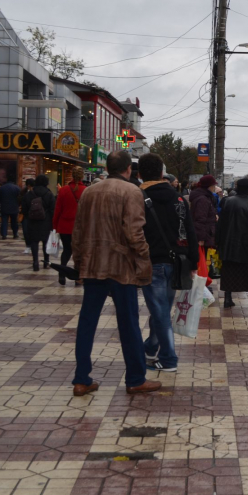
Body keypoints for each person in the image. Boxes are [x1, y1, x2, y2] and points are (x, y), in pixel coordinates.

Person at [71, 150, 160, 396]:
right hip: (122, 266)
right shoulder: (131, 191)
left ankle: (81, 379)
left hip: (92, 265)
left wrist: (79, 262)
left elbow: (78, 231)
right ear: (128, 169)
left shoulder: (89, 191)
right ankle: (135, 378)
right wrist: (144, 259)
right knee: (129, 323)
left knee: (87, 321)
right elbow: (134, 233)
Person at [138, 153, 198, 372]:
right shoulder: (179, 198)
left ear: (139, 174)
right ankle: (151, 347)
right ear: (162, 173)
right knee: (161, 309)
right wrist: (194, 261)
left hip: (151, 262)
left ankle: (169, 359)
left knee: (160, 311)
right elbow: (190, 230)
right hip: (178, 263)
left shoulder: (138, 196)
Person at [216, 178, 248, 308]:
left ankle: (228, 298)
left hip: (227, 243)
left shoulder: (227, 201)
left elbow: (220, 224)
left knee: (229, 270)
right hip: (245, 244)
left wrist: (218, 242)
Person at [52, 167, 87, 286]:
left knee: (67, 250)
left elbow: (58, 209)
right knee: (79, 252)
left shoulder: (64, 190)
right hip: (80, 228)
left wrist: (55, 225)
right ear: (82, 176)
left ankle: (62, 273)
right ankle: (78, 277)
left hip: (65, 226)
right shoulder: (86, 190)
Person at [21, 175, 55, 271]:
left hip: (32, 221)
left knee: (34, 242)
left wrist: (29, 216)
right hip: (46, 221)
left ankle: (35, 262)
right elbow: (53, 209)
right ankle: (46, 261)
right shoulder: (49, 193)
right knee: (45, 242)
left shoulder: (30, 193)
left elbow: (24, 209)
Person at [190, 175, 219, 276]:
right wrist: (201, 238)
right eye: (213, 185)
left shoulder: (204, 197)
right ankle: (203, 285)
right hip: (204, 236)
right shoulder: (203, 199)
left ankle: (204, 283)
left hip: (206, 234)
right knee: (203, 264)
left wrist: (213, 216)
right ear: (208, 186)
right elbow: (200, 219)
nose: (214, 188)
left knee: (205, 263)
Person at [20, 179, 35, 253]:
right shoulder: (24, 192)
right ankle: (29, 246)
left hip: (33, 215)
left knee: (30, 231)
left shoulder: (35, 192)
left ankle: (31, 246)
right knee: (26, 231)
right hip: (27, 215)